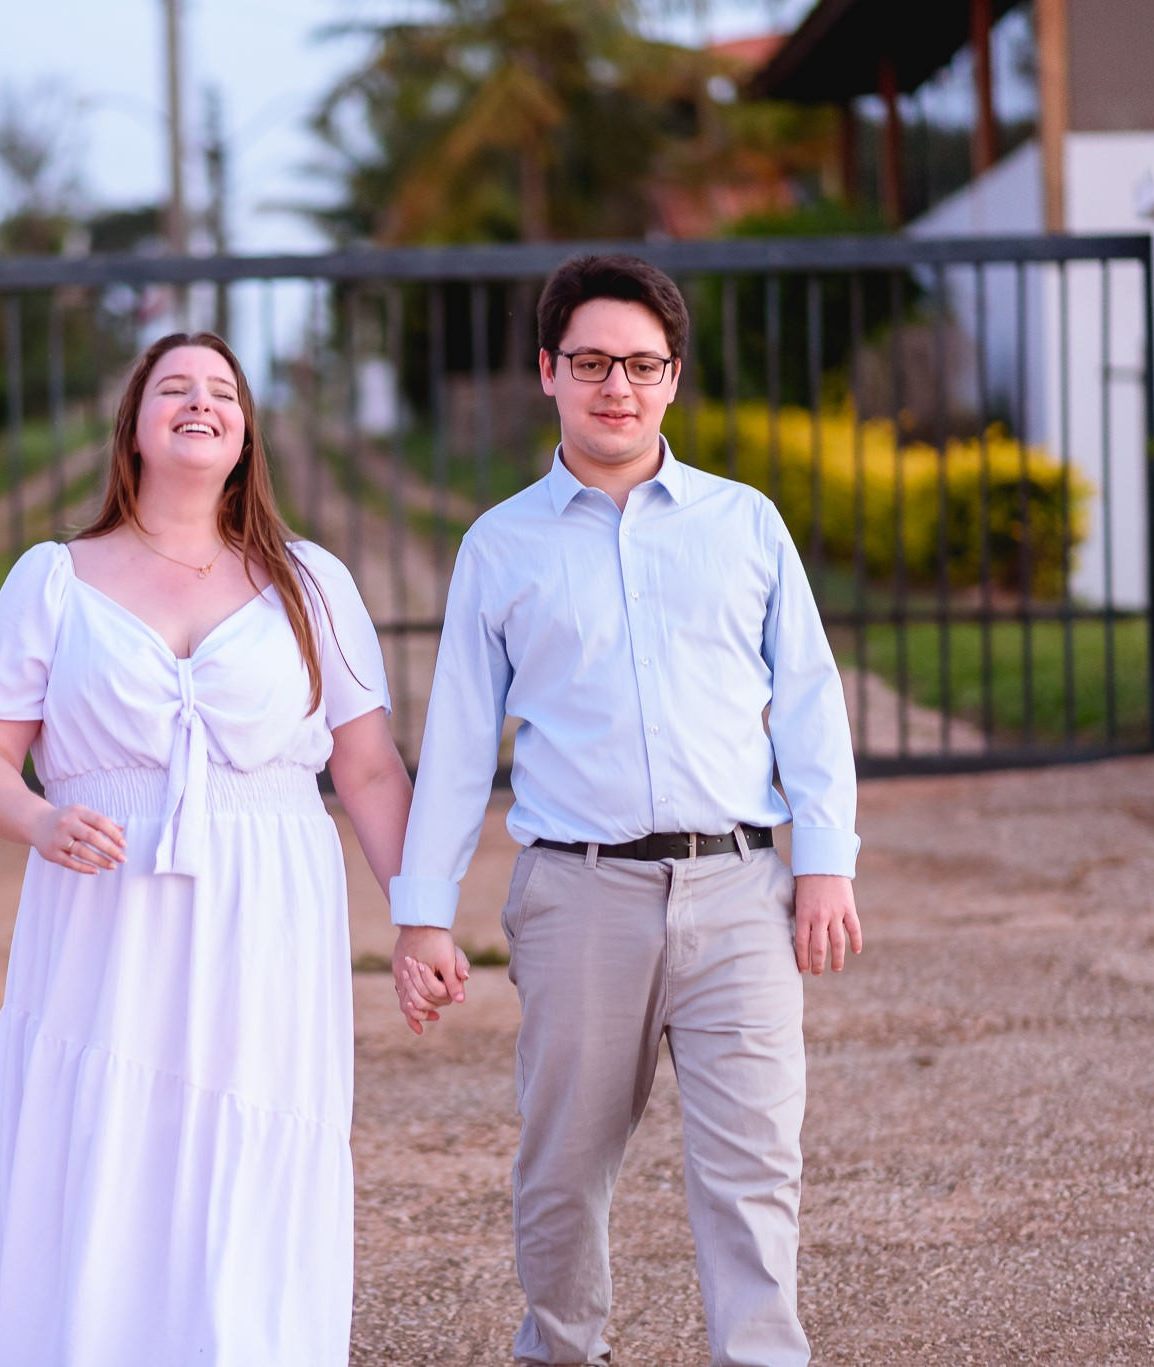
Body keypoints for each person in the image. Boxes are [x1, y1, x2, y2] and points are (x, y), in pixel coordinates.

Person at [388, 254, 862, 1367]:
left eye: (641, 364)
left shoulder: (741, 523)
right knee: (562, 1166)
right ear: (547, 371)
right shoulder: (499, 546)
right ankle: (562, 1350)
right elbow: (458, 745)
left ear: (672, 378)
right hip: (577, 891)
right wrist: (422, 911)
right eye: (593, 362)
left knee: (753, 1165)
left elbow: (806, 697)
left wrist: (825, 860)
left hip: (739, 886)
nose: (618, 387)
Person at [0, 332, 410, 1365]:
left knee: (254, 1149)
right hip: (105, 913)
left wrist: (416, 913)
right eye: (174, 387)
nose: (200, 402)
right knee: (104, 1146)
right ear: (136, 427)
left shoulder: (310, 580)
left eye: (221, 391)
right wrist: (37, 819)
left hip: (269, 915)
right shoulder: (53, 578)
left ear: (245, 431)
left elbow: (370, 769)